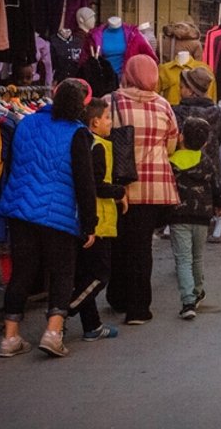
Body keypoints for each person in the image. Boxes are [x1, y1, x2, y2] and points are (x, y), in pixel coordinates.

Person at [0, 79, 98, 358]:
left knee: (22, 273)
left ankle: (10, 338)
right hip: (58, 215)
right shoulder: (77, 133)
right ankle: (53, 333)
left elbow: (12, 163)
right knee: (62, 272)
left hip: (21, 210)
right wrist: (89, 224)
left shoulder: (25, 123)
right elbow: (84, 183)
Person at [106, 55, 179, 326]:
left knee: (118, 242)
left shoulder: (110, 102)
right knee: (141, 246)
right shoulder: (164, 106)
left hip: (120, 185)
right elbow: (171, 146)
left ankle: (117, 295)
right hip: (155, 187)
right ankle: (138, 308)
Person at [67, 98, 125, 342]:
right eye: (107, 118)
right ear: (95, 122)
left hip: (90, 219)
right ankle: (65, 308)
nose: (111, 122)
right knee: (100, 275)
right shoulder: (97, 146)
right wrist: (119, 192)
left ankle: (92, 326)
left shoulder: (90, 143)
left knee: (85, 274)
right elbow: (98, 185)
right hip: (98, 221)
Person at [169, 117, 221, 319]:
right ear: (204, 143)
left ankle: (188, 301)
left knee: (183, 259)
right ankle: (198, 290)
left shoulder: (172, 161)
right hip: (202, 216)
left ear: (181, 137)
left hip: (178, 216)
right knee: (197, 256)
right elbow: (216, 187)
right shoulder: (206, 162)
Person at [172, 67, 221, 238]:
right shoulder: (215, 111)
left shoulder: (178, 111)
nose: (180, 90)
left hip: (182, 166)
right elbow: (219, 137)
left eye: (182, 87)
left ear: (191, 91)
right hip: (208, 164)